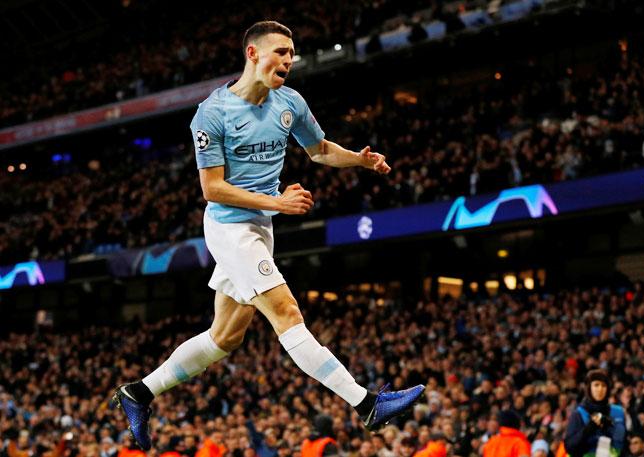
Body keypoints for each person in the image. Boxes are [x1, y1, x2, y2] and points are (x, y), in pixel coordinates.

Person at [112, 20, 425, 451]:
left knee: (224, 337)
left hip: (261, 227)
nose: (289, 60)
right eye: (281, 52)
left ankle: (139, 392)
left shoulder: (290, 102)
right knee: (287, 313)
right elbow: (212, 188)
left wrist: (360, 160)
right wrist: (277, 201)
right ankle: (367, 404)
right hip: (229, 227)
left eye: (292, 54)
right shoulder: (213, 112)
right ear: (253, 54)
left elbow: (319, 149)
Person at [564, 369, 627, 457]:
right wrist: (590, 428)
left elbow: (624, 443)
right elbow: (569, 447)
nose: (600, 389)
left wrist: (610, 428)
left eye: (603, 385)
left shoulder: (618, 412)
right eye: (596, 385)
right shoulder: (579, 413)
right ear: (589, 388)